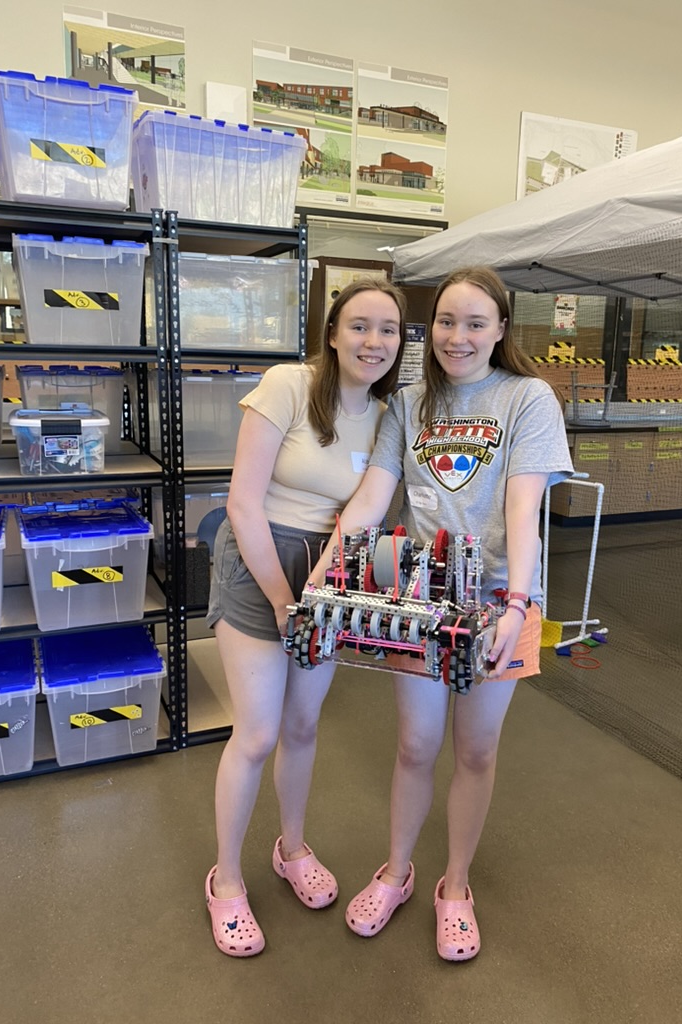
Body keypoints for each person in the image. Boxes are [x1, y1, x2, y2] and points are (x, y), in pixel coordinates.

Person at [307, 266, 573, 961]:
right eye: (447, 322)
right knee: (415, 745)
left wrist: (517, 601)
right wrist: (323, 574)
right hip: (422, 597)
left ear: (501, 329)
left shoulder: (527, 398)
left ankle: (455, 888)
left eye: (476, 322)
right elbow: (372, 497)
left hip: (498, 600)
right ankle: (397, 872)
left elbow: (523, 506)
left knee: (476, 749)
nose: (458, 336)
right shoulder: (410, 404)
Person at [204, 277, 406, 957]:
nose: (373, 342)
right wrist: (286, 602)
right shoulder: (287, 384)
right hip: (260, 558)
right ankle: (225, 880)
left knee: (300, 723)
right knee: (258, 733)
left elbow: (364, 512)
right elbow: (241, 504)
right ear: (332, 331)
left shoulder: (387, 414)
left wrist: (322, 593)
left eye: (388, 330)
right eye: (359, 326)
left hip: (329, 569)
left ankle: (290, 849)